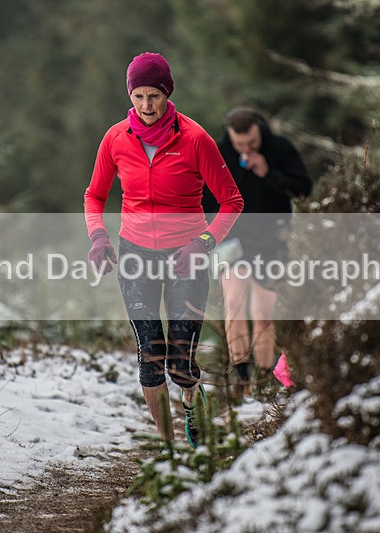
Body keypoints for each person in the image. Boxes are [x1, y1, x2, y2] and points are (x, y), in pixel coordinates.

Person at [83, 52, 243, 447]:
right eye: (139, 96)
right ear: (130, 95)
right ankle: (169, 446)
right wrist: (99, 237)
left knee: (180, 363)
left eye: (154, 95)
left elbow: (232, 201)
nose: (147, 105)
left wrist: (204, 242)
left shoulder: (195, 139)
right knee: (150, 358)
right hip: (135, 255)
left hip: (185, 258)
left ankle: (192, 401)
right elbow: (94, 196)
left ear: (167, 94)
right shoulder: (116, 138)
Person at [202, 108, 313, 397]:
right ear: (232, 138)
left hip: (273, 239)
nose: (247, 149)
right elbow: (200, 198)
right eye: (241, 144)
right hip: (231, 241)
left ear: (259, 132)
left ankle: (265, 377)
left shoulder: (280, 148)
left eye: (251, 142)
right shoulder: (216, 151)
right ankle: (241, 372)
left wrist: (269, 173)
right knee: (235, 303)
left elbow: (303, 188)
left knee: (263, 311)